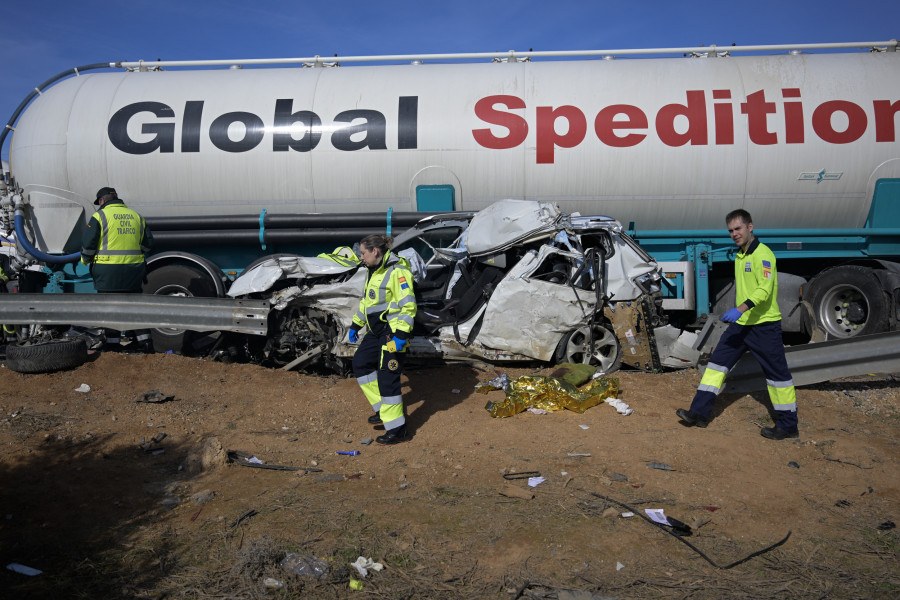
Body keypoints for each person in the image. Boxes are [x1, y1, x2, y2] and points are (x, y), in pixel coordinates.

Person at [676, 209, 799, 440]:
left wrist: (740, 308)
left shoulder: (763, 254)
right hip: (741, 325)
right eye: (731, 230)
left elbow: (764, 289)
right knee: (716, 366)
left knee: (777, 376)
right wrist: (740, 315)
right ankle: (699, 413)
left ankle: (789, 425)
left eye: (738, 229)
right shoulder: (740, 255)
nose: (734, 234)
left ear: (750, 227)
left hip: (764, 325)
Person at [348, 234, 417, 445]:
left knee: (388, 376)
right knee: (361, 363)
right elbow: (368, 303)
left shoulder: (398, 272)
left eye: (363, 253)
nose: (361, 257)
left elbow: (408, 306)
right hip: (376, 331)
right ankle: (382, 410)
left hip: (392, 332)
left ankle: (397, 429)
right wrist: (356, 324)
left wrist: (401, 336)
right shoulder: (374, 271)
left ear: (375, 251)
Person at [81, 187, 154, 352]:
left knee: (110, 307)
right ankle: (145, 343)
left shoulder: (99, 216)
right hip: (134, 270)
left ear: (102, 201)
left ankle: (113, 344)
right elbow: (148, 244)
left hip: (108, 271)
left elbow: (88, 244)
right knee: (135, 307)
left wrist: (85, 260)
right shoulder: (136, 216)